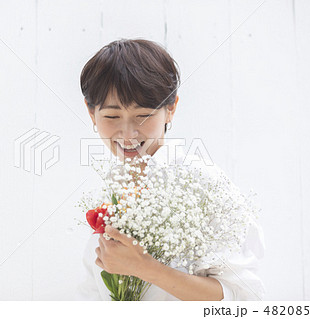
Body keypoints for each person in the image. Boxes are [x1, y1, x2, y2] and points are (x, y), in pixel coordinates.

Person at [76, 38, 266, 301]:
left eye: (143, 115)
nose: (128, 132)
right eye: (111, 116)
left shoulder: (203, 184)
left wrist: (143, 267)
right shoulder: (111, 192)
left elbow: (240, 298)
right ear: (91, 112)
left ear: (171, 108)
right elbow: (91, 293)